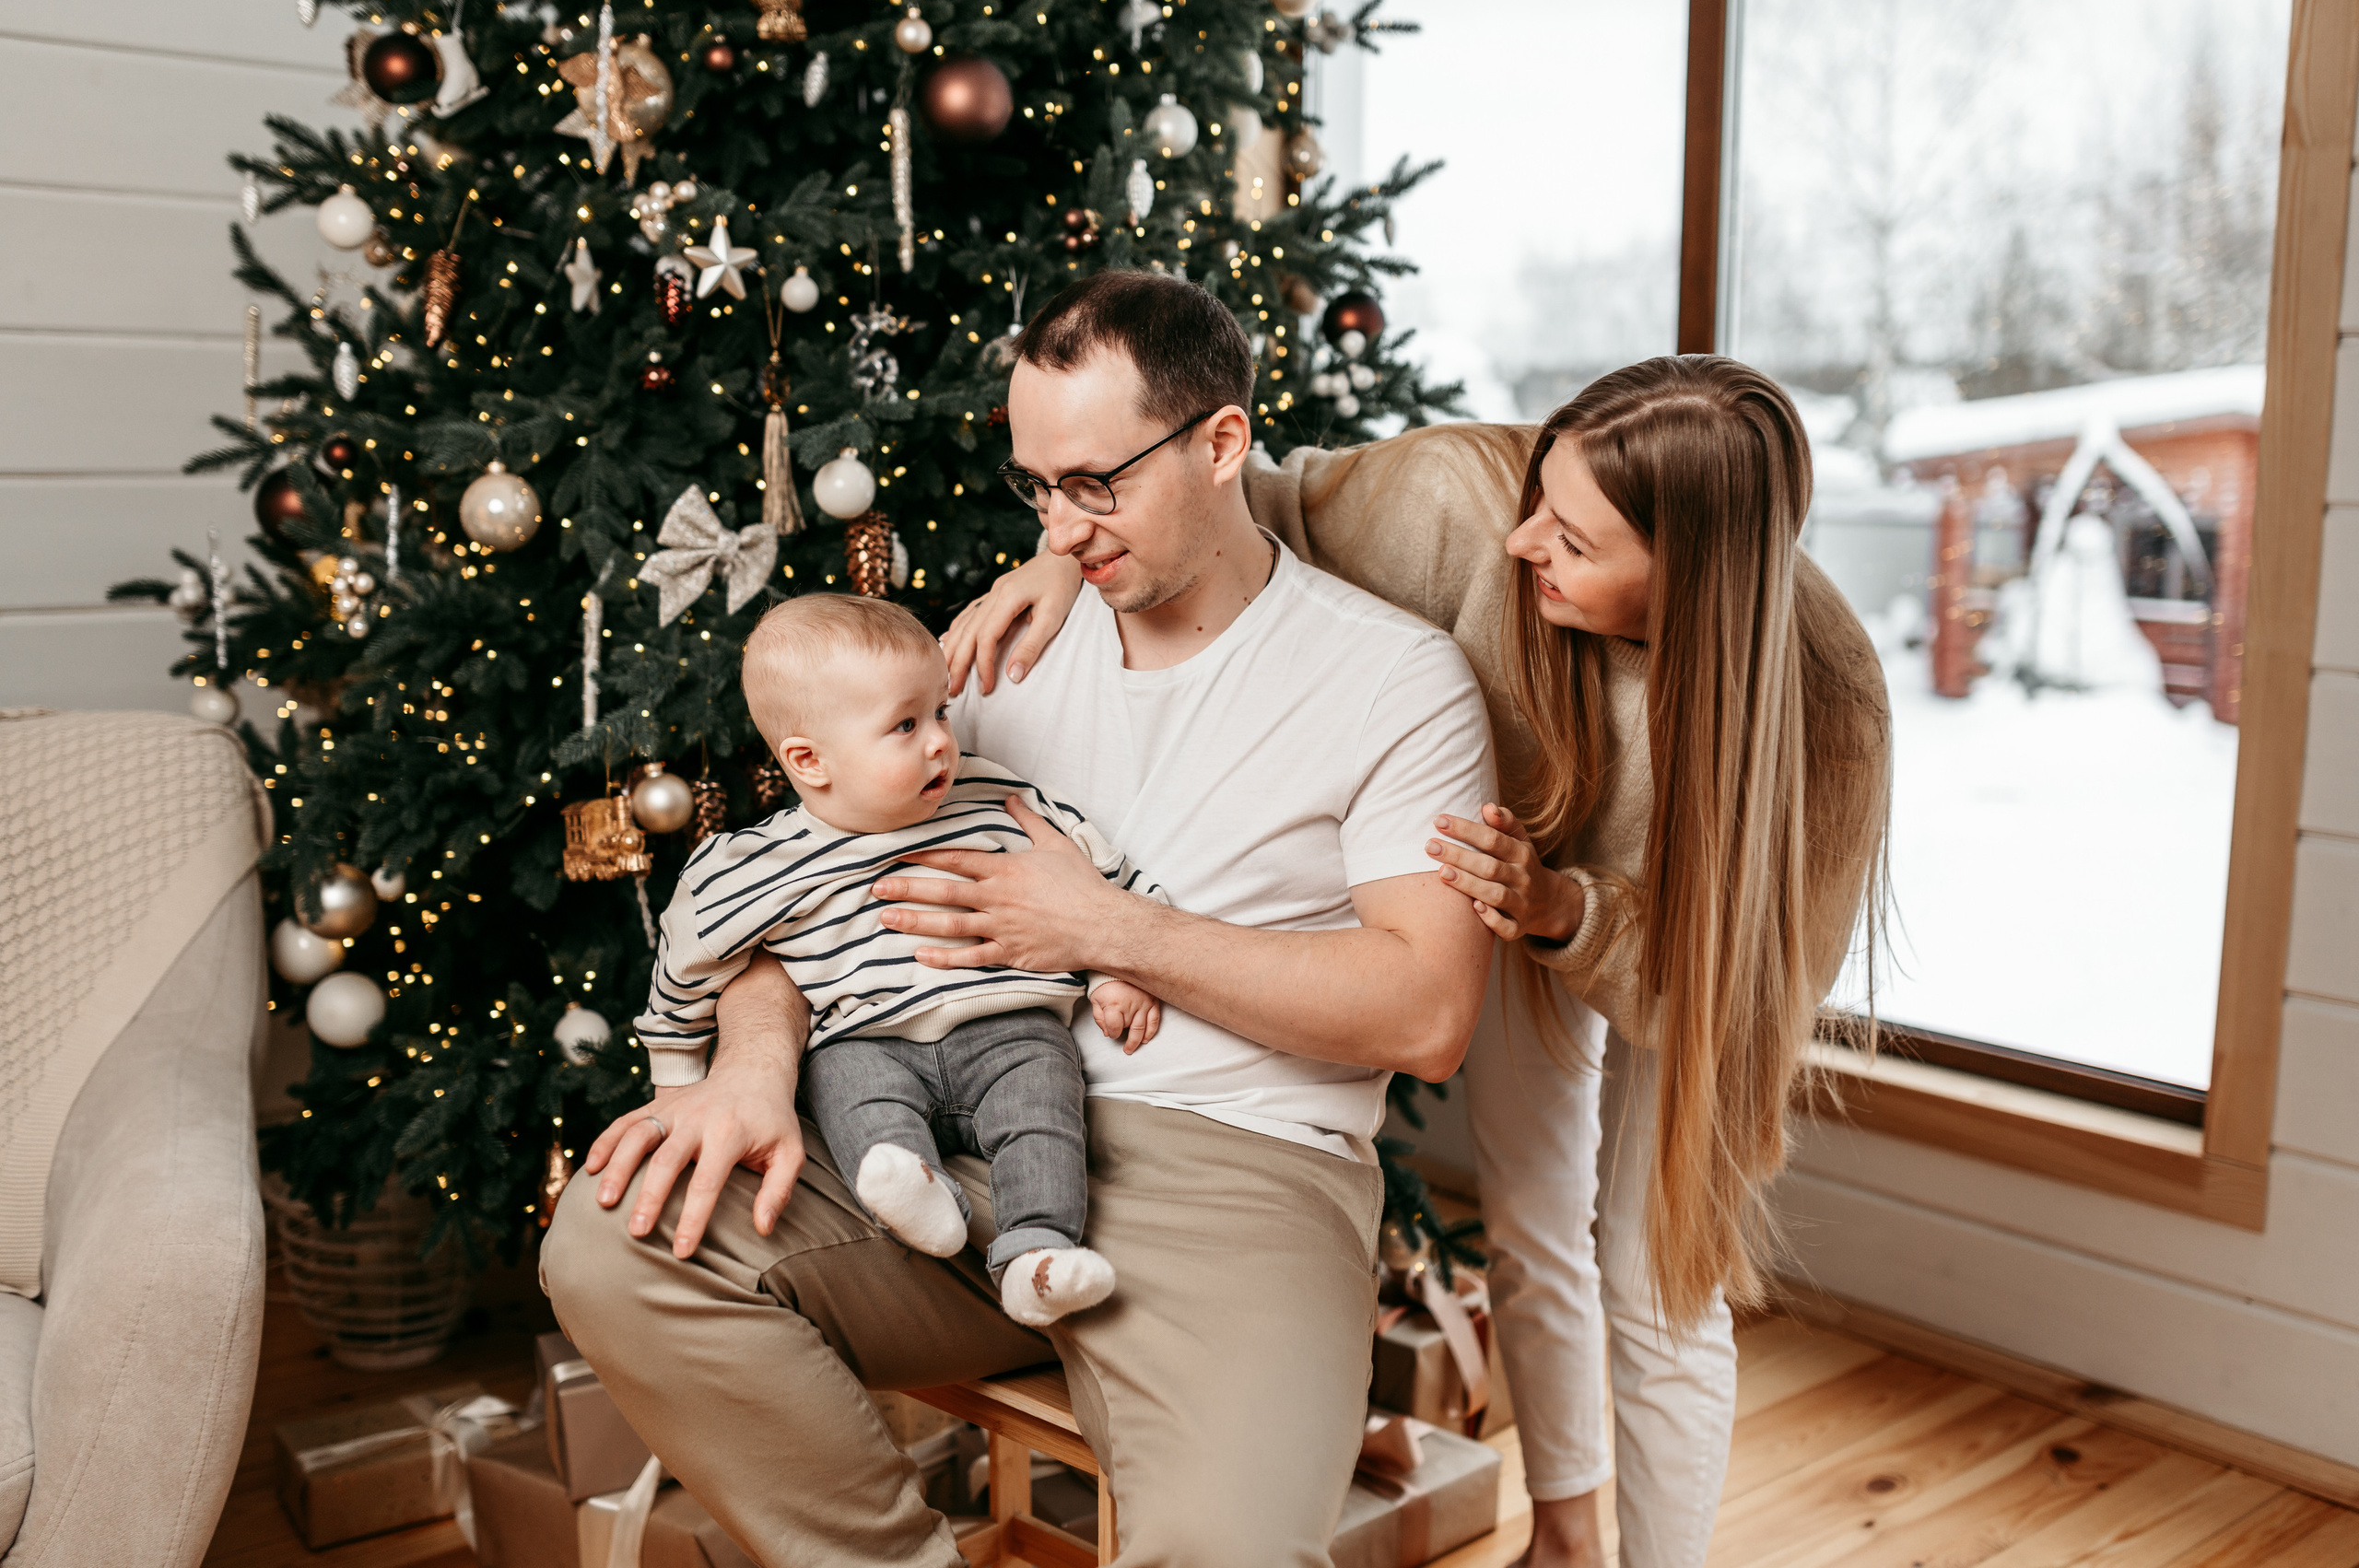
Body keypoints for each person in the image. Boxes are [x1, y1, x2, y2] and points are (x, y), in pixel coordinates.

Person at [541, 269, 1498, 1568]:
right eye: (1036, 488)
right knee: (614, 1242)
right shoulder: (992, 657)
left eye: (1094, 483)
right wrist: (755, 1069)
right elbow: (812, 886)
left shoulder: (1391, 680)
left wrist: (1106, 930)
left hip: (1240, 1176)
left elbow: (1428, 1015)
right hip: (942, 1144)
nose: (1062, 529)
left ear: (1223, 444)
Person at [946, 356, 1891, 1568]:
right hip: (1508, 883)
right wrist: (1056, 555)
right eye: (1540, 498)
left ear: (1694, 578)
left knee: (1659, 1281)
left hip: (1678, 954)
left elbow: (1729, 998)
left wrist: (1574, 911)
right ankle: (1563, 1538)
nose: (1523, 542)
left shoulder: (1830, 717)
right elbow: (1228, 496)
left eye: (1575, 540)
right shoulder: (1457, 501)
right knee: (1531, 1216)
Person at [632, 592, 1170, 1327]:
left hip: (1008, 1026)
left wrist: (1114, 970)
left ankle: (1038, 1254)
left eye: (941, 712)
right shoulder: (754, 865)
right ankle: (922, 1199)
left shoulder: (997, 797)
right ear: (810, 760)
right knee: (852, 1098)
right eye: (905, 725)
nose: (941, 741)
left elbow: (1103, 878)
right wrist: (676, 1083)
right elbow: (683, 974)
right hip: (865, 1042)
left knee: (1044, 1108)